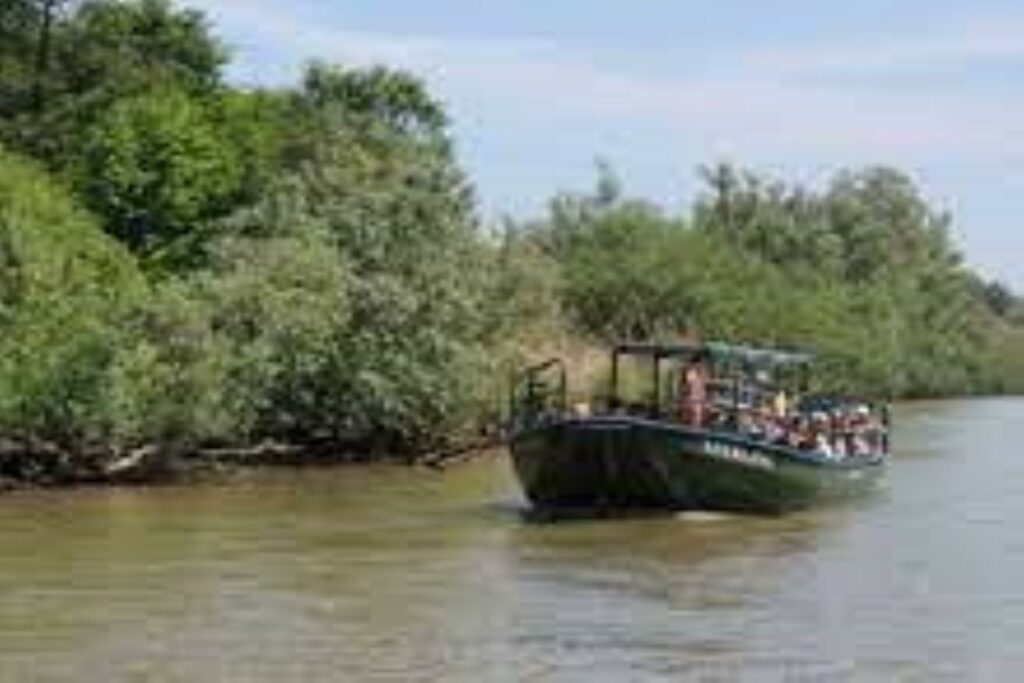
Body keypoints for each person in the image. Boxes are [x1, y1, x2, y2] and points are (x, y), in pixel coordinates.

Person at [680, 354, 709, 428]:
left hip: (700, 398)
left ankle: (697, 428)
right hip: (693, 398)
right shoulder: (690, 373)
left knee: (699, 416)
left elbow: (705, 383)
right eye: (699, 364)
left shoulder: (702, 372)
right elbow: (687, 386)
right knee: (694, 416)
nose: (701, 365)